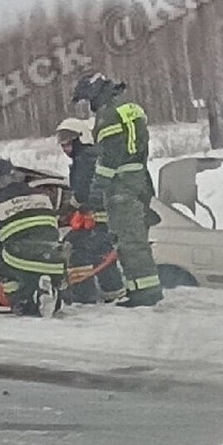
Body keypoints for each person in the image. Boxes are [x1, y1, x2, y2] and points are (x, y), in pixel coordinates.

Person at [71, 71, 163, 308]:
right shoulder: (129, 107)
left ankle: (146, 293)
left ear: (94, 93)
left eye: (87, 100)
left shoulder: (108, 115)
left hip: (122, 183)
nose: (88, 106)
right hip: (140, 177)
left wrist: (95, 191)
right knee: (132, 239)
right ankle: (139, 290)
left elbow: (110, 157)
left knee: (129, 240)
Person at [0, 159, 65, 318]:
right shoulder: (40, 195)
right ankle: (52, 294)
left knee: (1, 262)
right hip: (55, 257)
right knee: (41, 270)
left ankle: (22, 302)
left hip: (22, 257)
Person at [55, 117, 124, 304]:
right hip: (103, 219)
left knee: (78, 250)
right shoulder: (90, 156)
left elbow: (83, 190)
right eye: (62, 141)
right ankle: (113, 293)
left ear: (81, 138)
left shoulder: (86, 157)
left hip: (100, 219)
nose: (65, 146)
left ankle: (84, 295)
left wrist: (70, 207)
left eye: (68, 140)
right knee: (100, 254)